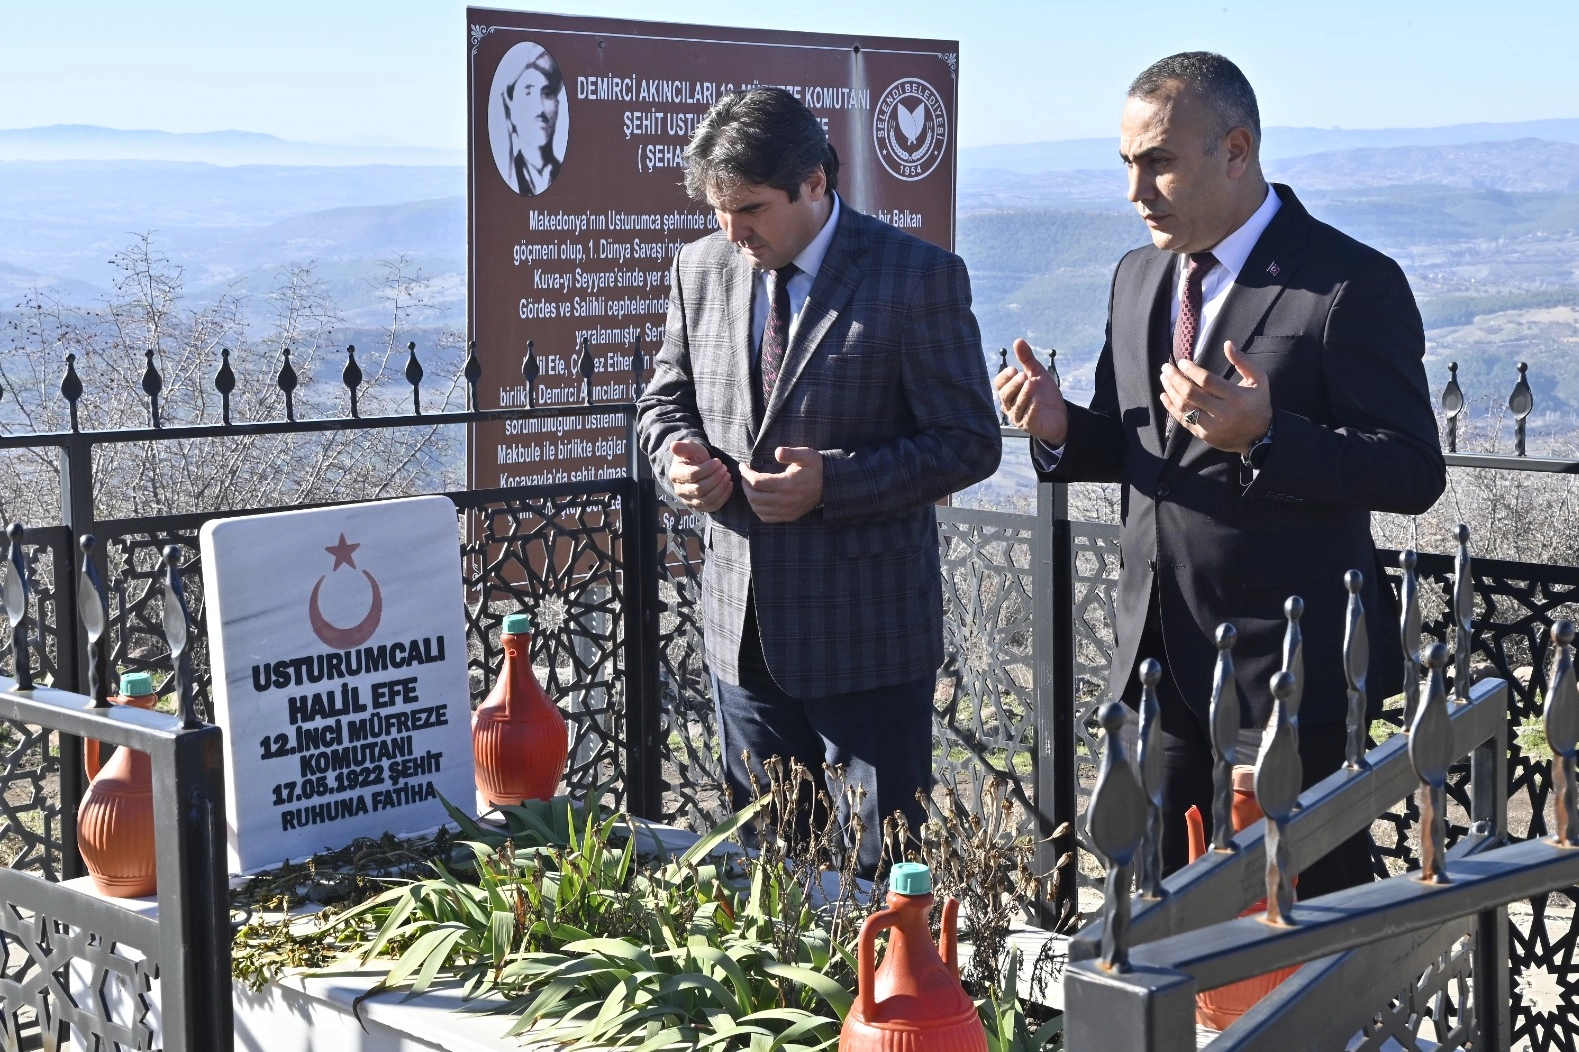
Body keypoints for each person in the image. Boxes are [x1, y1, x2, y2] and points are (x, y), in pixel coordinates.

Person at [995, 52, 1445, 897]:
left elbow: (1412, 470)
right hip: (1157, 667)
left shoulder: (1347, 283)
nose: (1135, 191)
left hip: (1286, 677)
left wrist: (1266, 437)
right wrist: (1059, 429)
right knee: (1162, 911)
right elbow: (1138, 447)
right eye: (1126, 164)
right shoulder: (1137, 276)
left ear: (1235, 151)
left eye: (1158, 162)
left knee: (1292, 916)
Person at [636, 88, 1001, 874]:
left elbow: (969, 443)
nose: (733, 232)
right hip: (742, 636)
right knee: (768, 873)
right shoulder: (700, 268)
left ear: (814, 183)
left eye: (751, 209)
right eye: (718, 210)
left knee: (881, 874)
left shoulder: (915, 276)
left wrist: (832, 483)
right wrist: (678, 459)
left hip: (866, 640)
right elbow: (663, 400)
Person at [501, 48, 563, 196]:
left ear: (557, 105)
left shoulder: (570, 174)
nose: (539, 108)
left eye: (547, 93)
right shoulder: (510, 177)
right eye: (528, 92)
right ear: (511, 106)